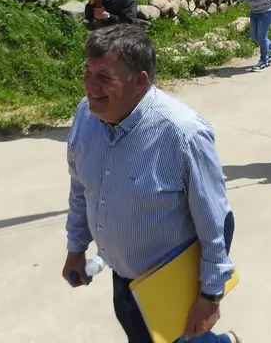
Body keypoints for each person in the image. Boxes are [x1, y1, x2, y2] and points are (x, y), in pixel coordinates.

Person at [63, 25, 239, 343]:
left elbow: (217, 222)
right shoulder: (86, 115)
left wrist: (211, 295)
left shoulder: (183, 134)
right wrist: (76, 247)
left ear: (140, 81)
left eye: (104, 77)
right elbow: (81, 186)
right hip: (124, 279)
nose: (90, 86)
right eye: (88, 72)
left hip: (173, 285)